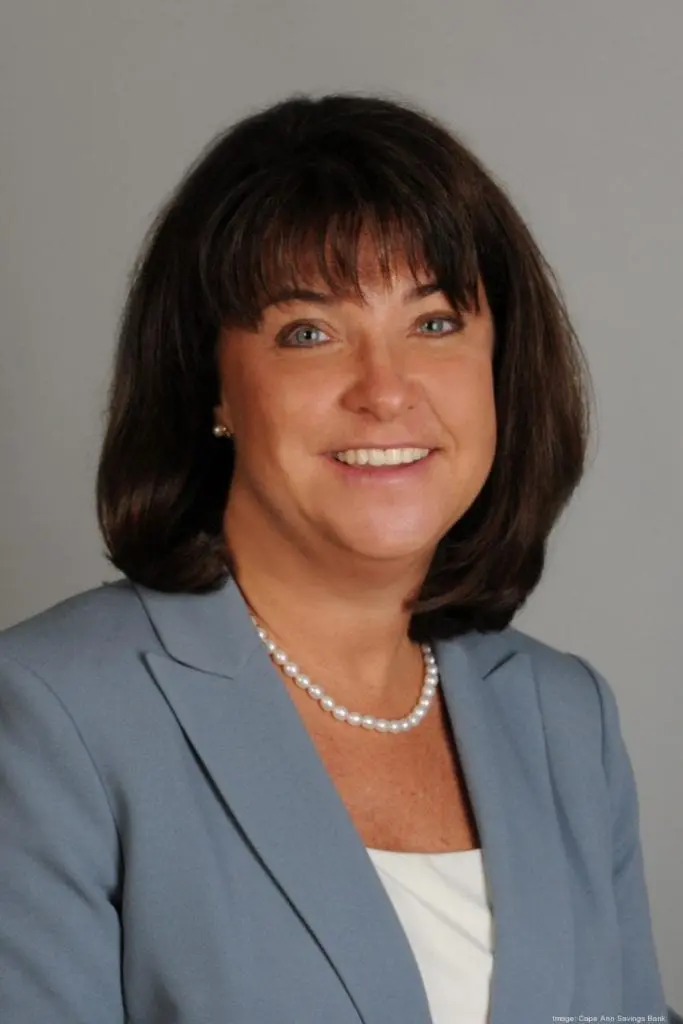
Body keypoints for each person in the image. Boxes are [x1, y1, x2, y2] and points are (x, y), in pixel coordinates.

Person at [0, 92, 677, 1024]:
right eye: (308, 333)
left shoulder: (565, 719)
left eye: (433, 322)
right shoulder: (51, 715)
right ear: (213, 387)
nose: (385, 391)